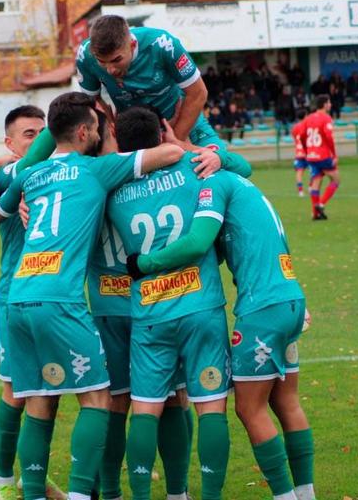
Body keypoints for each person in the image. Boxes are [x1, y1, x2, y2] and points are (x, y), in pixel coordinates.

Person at [0, 92, 185, 500]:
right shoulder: (96, 170)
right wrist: (182, 142)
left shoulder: (29, 174)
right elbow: (163, 155)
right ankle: (80, 495)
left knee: (39, 400)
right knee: (97, 399)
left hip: (19, 297)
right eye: (94, 126)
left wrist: (3, 182)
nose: (98, 132)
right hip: (62, 299)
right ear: (83, 130)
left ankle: (30, 492)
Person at [129, 169, 316, 500]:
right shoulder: (242, 182)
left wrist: (143, 263)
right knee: (286, 400)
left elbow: (198, 242)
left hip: (262, 311)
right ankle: (306, 492)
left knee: (249, 409)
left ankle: (286, 496)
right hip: (289, 298)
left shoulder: (214, 183)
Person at [106, 107, 240, 500]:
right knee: (210, 406)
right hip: (201, 306)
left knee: (146, 409)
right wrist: (191, 146)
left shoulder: (113, 188)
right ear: (162, 132)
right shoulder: (192, 167)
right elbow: (240, 171)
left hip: (149, 313)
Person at [0, 106, 68, 500]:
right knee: (16, 392)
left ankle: (31, 478)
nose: (39, 141)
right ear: (10, 144)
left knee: (48, 392)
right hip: (14, 298)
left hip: (52, 297)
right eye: (29, 134)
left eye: (43, 133)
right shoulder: (10, 173)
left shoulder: (62, 173)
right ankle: (2, 482)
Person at [76, 15, 225, 155]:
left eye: (116, 60)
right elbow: (91, 102)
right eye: (102, 62)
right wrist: (112, 128)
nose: (110, 70)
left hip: (182, 121)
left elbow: (198, 93)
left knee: (224, 164)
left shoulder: (163, 44)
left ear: (132, 45)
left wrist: (174, 140)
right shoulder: (85, 55)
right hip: (134, 134)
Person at [304, 95, 339, 220]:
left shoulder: (308, 118)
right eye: (329, 102)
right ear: (324, 104)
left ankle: (315, 214)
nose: (330, 105)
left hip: (311, 156)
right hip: (323, 155)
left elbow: (303, 136)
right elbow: (329, 137)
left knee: (316, 183)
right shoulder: (326, 118)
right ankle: (321, 204)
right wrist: (334, 154)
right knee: (335, 180)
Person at [291, 109, 308, 197]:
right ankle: (311, 187)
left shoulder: (294, 127)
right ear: (305, 116)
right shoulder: (307, 126)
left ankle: (300, 191)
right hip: (308, 152)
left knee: (299, 173)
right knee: (314, 171)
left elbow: (294, 137)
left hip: (299, 153)